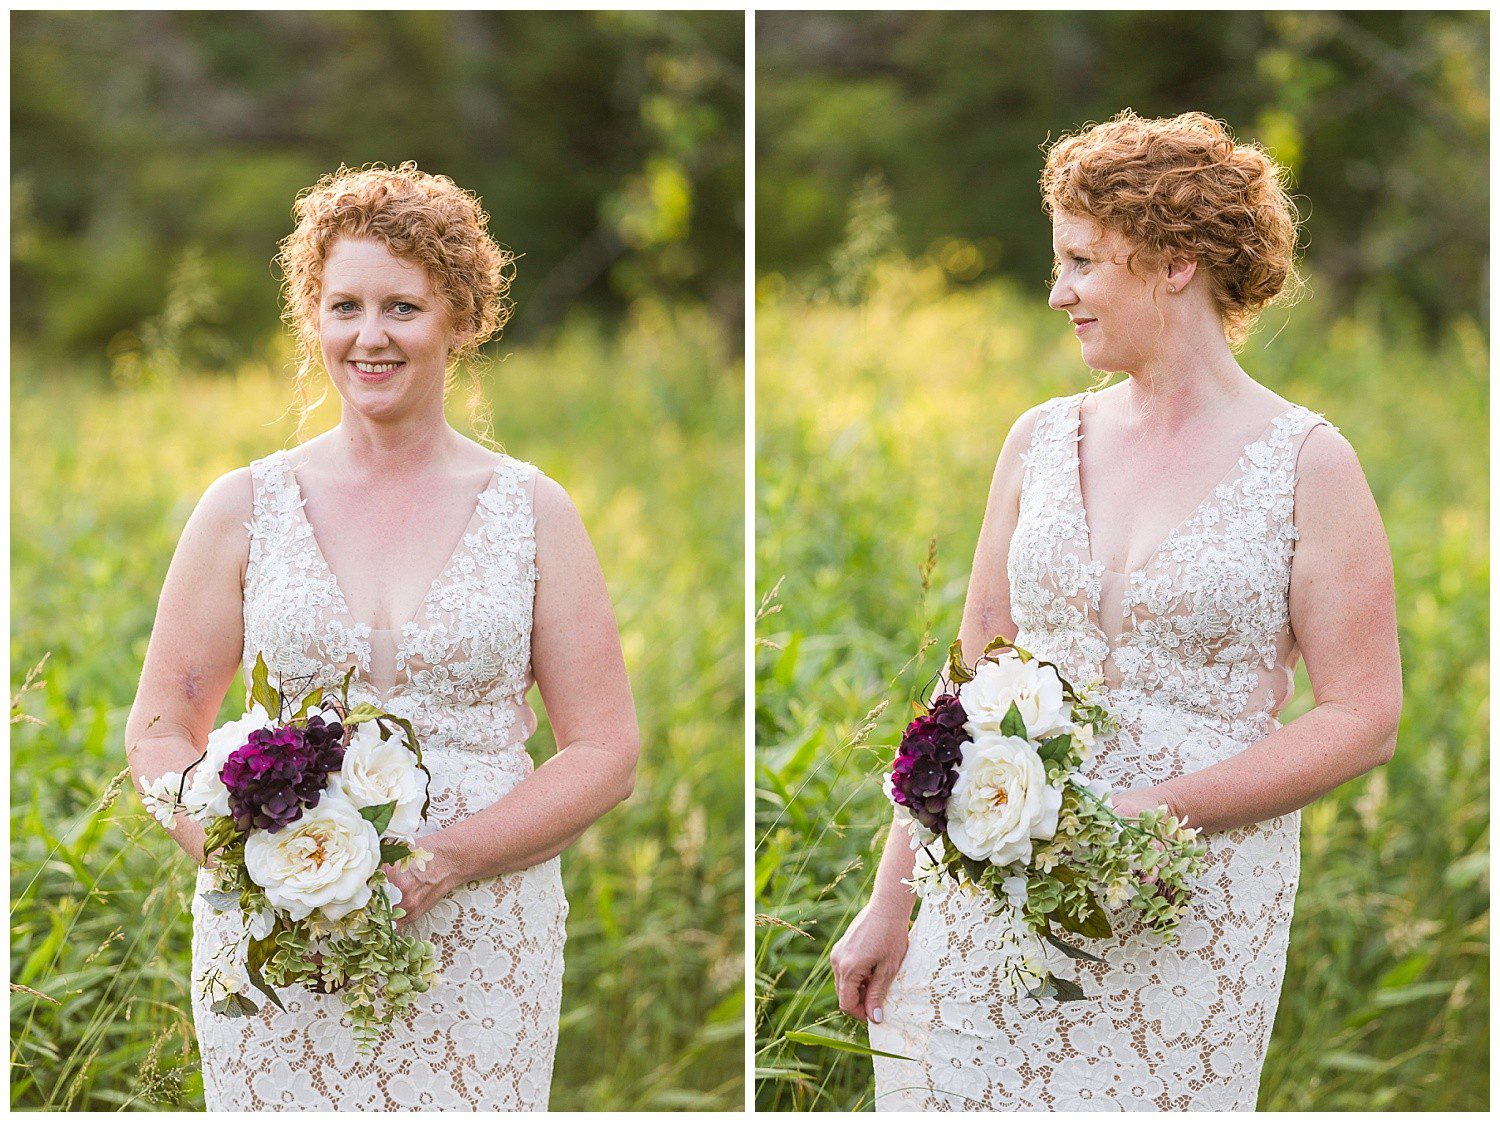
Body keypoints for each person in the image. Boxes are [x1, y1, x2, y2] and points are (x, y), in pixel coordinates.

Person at [836, 111, 1402, 1110]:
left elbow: (1364, 719)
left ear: (1175, 261)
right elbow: (967, 680)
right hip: (987, 899)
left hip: (1190, 906)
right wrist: (892, 900)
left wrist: (1145, 812)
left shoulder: (1307, 463)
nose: (1059, 294)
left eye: (1083, 262)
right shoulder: (1040, 441)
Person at [123, 163, 639, 1110]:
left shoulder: (532, 511)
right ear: (311, 318)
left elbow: (606, 750)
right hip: (279, 943)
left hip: (487, 928)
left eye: (402, 306)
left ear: (460, 318)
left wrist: (449, 860)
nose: (370, 336)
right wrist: (251, 863)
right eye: (344, 305)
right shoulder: (245, 506)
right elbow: (159, 730)